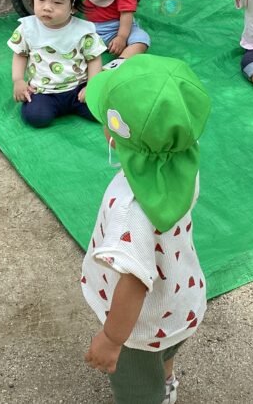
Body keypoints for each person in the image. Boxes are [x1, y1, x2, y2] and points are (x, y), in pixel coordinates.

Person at [80, 55, 210, 404]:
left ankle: (154, 395)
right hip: (179, 297)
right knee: (165, 352)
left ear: (114, 135)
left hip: (139, 325)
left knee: (138, 388)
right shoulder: (182, 156)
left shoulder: (130, 212)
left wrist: (112, 339)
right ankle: (165, 381)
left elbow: (134, 282)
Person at [9, 0, 107, 128]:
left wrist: (91, 86)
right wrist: (18, 80)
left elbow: (94, 59)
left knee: (101, 110)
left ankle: (84, 102)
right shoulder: (28, 29)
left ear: (73, 7)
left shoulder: (82, 31)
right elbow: (20, 54)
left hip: (78, 89)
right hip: (44, 92)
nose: (47, 7)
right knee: (36, 116)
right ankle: (47, 108)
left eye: (57, 2)